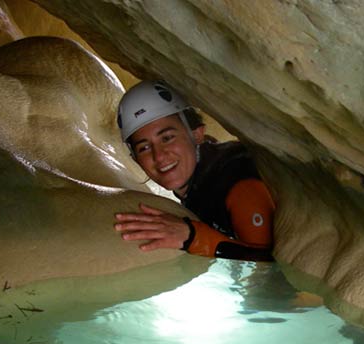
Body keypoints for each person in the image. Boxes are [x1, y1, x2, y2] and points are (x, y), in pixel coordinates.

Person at [114, 80, 275, 261]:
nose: (158, 156)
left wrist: (192, 237)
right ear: (135, 160)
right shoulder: (198, 181)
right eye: (144, 148)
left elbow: (269, 266)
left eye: (167, 138)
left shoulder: (237, 181)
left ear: (197, 134)